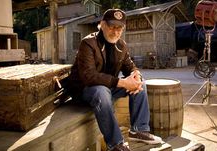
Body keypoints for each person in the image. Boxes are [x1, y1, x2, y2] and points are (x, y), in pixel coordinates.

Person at [65, 8, 162, 151]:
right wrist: (123, 82)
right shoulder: (88, 43)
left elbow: (130, 66)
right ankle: (115, 144)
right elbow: (89, 77)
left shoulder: (121, 45)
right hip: (84, 91)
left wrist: (136, 75)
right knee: (101, 91)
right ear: (102, 24)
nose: (116, 31)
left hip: (107, 88)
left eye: (119, 28)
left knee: (141, 83)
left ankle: (138, 130)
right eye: (112, 26)